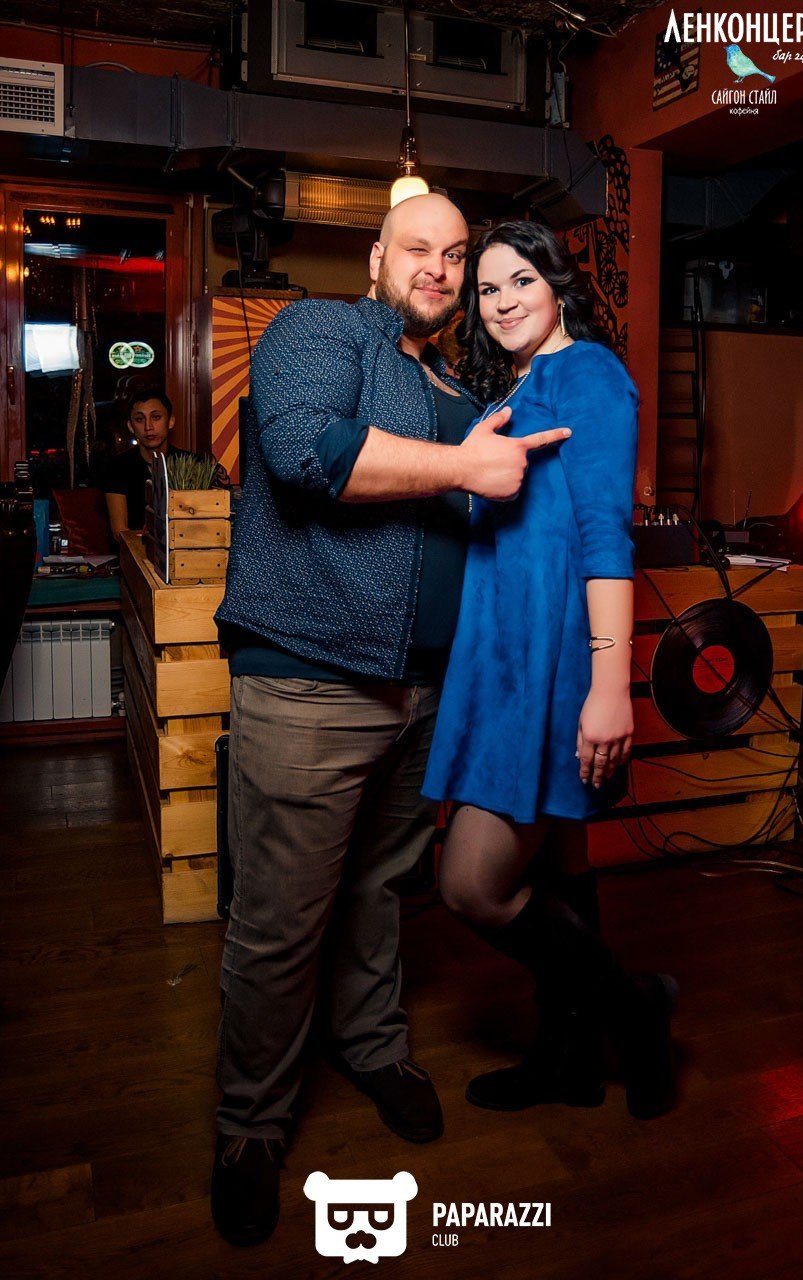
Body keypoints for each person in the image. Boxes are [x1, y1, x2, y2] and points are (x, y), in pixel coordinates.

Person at [210, 193, 570, 1248]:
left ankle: (370, 1045)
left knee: (379, 891)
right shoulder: (320, 331)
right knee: (281, 920)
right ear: (376, 257)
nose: (440, 269)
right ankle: (249, 1125)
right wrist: (463, 466)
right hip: (313, 681)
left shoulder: (456, 384)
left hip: (425, 689)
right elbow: (304, 452)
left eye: (456, 255)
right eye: (420, 248)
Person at [423, 220, 678, 1123]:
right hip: (500, 653)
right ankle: (566, 1055)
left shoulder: (589, 375)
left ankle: (636, 1009)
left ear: (559, 285)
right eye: (488, 289)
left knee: (472, 884)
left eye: (521, 281)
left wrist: (609, 687)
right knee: (563, 861)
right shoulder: (520, 385)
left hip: (553, 657)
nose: (502, 303)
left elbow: (606, 536)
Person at [102, 386, 191, 539]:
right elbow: (119, 531)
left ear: (170, 421)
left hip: (186, 547)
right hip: (135, 549)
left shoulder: (192, 463)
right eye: (139, 419)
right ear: (131, 426)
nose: (148, 427)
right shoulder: (117, 468)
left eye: (156, 417)